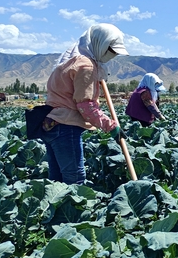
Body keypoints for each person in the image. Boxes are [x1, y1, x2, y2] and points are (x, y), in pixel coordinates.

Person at [42, 23, 129, 184]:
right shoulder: (86, 66)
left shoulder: (70, 59)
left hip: (50, 125)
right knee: (75, 179)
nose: (113, 55)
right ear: (100, 44)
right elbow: (86, 106)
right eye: (111, 50)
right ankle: (74, 210)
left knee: (56, 180)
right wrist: (110, 126)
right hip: (65, 128)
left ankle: (56, 210)